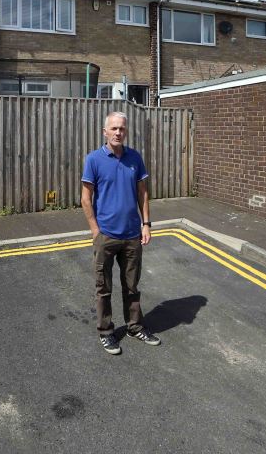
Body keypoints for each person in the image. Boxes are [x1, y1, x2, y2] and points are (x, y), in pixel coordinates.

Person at [81, 111, 161, 355]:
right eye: (114, 128)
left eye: (122, 129)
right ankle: (106, 332)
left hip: (131, 235)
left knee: (132, 285)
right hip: (106, 234)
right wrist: (96, 231)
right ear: (105, 132)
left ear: (126, 131)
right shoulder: (94, 159)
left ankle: (134, 326)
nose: (118, 132)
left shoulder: (134, 158)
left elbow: (143, 193)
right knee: (103, 287)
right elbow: (86, 198)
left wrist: (146, 224)